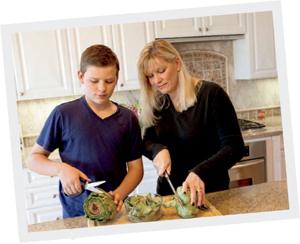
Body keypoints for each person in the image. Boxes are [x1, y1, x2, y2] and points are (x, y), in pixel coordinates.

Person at [26, 44, 144, 219]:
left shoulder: (127, 118)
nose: (102, 88)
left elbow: (136, 169)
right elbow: (33, 159)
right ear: (81, 76)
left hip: (117, 210)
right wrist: (60, 169)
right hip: (76, 212)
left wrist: (118, 195)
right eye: (94, 81)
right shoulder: (63, 114)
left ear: (117, 77)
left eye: (109, 81)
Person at [137, 39, 244, 209]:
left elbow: (234, 147)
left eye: (161, 71)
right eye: (150, 76)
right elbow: (146, 142)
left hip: (210, 194)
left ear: (177, 63)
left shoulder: (212, 95)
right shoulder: (157, 102)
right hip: (169, 196)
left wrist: (200, 172)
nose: (156, 80)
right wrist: (159, 150)